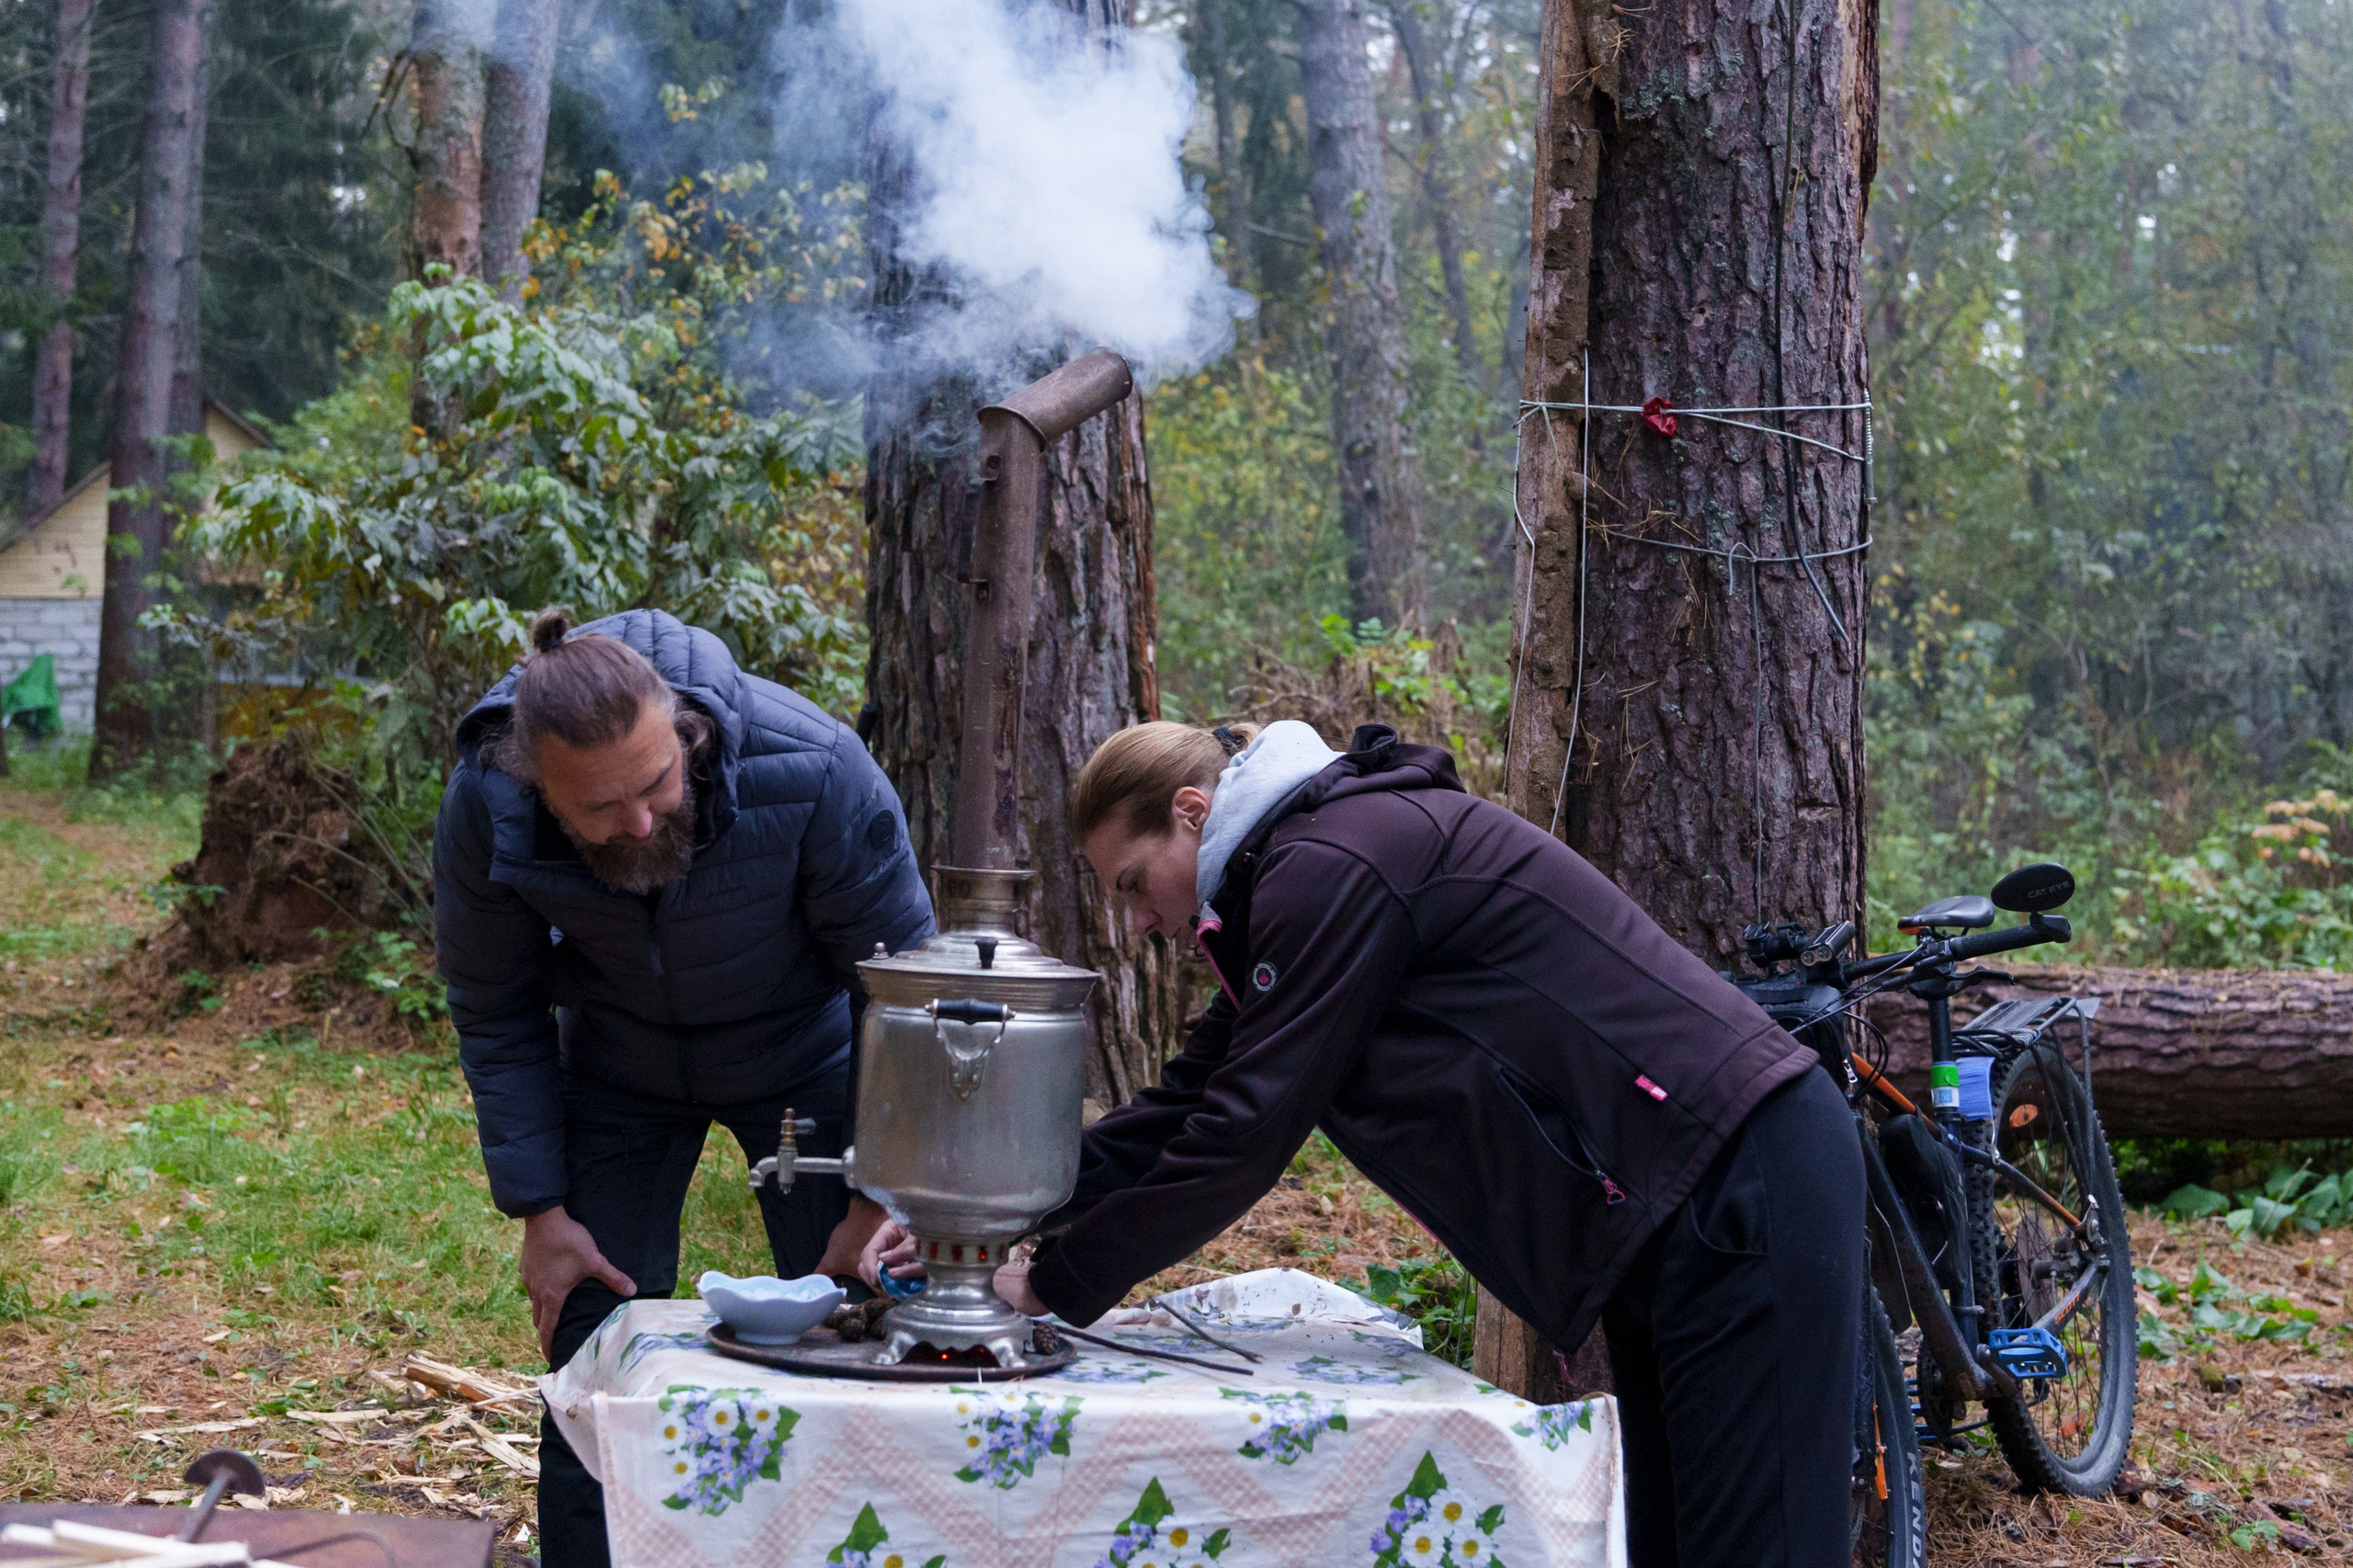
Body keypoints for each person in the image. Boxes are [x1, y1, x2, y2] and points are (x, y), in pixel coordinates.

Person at [866, 719, 1864, 1567]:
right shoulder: (1297, 887)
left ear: (1190, 811)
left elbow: (1243, 1138)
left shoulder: (1332, 867)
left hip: (1737, 1171)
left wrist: (1049, 1285)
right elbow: (1185, 1106)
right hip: (1672, 1202)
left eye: (1133, 884)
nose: (1137, 923)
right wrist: (982, 1212)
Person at [436, 607, 931, 1565]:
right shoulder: (485, 801)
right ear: (535, 783)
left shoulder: (816, 765)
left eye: (658, 780)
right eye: (599, 810)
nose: (641, 820)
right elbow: (494, 1007)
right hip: (617, 1060)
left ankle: (856, 1542)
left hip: (800, 1051)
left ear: (688, 732)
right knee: (594, 1334)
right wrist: (539, 1207)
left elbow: (904, 987)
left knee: (865, 1313)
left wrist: (879, 1191)